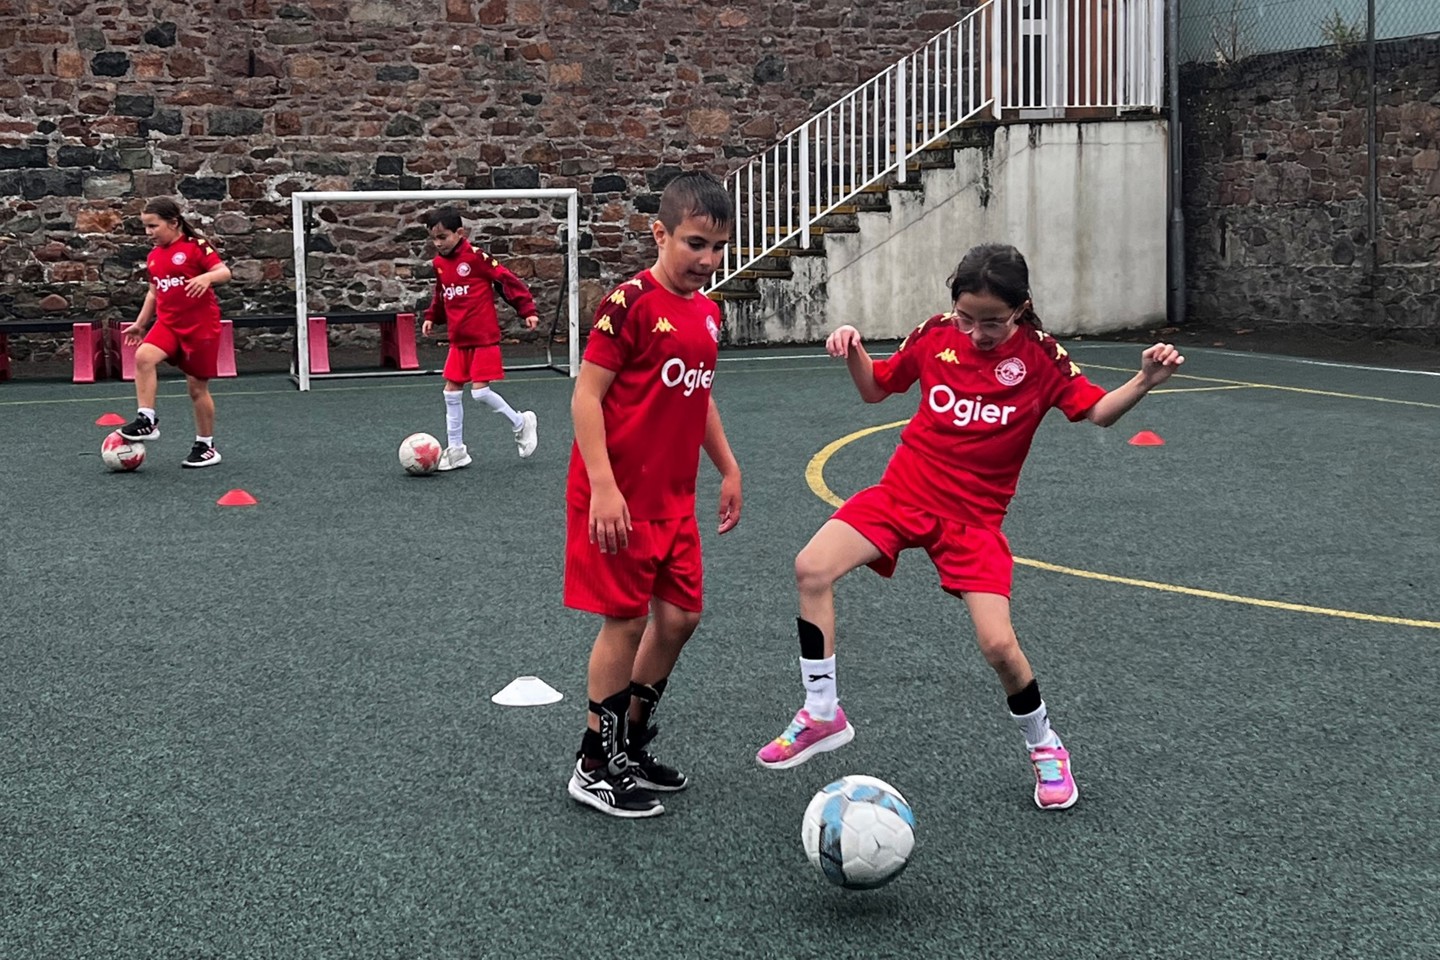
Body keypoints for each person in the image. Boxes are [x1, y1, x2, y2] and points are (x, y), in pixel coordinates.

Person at [754, 243, 1185, 811]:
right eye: (966, 318)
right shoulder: (935, 334)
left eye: (992, 322)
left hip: (974, 521)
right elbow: (875, 388)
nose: (976, 333)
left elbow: (1098, 412)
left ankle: (1046, 746)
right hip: (903, 494)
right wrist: (854, 348)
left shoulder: (1042, 357)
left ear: (1020, 309)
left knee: (999, 645)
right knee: (811, 567)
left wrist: (1145, 380)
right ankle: (822, 712)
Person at [564, 171, 742, 818]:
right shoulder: (629, 303)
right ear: (660, 234)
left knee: (681, 618)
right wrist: (604, 487)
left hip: (673, 499)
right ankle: (594, 763)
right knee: (627, 620)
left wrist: (728, 468)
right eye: (695, 243)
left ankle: (631, 743)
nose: (708, 260)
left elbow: (699, 396)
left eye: (718, 247)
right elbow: (586, 396)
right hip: (617, 498)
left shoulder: (708, 313)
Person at [419, 207, 540, 470]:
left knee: (480, 392)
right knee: (450, 392)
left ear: (459, 233)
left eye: (443, 237)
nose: (438, 243)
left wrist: (527, 310)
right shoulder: (439, 264)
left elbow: (506, 281)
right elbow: (441, 294)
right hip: (458, 339)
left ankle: (521, 422)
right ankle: (457, 450)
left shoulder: (476, 258)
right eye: (433, 238)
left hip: (483, 336)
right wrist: (432, 316)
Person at [117, 198, 232, 468]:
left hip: (200, 326)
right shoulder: (154, 256)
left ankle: (206, 446)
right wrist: (140, 324)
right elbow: (153, 293)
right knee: (144, 356)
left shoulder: (196, 247)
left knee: (196, 388)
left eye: (153, 226)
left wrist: (207, 277)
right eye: (145, 227)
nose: (148, 233)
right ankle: (147, 419)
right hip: (168, 323)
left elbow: (224, 272)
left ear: (173, 223)